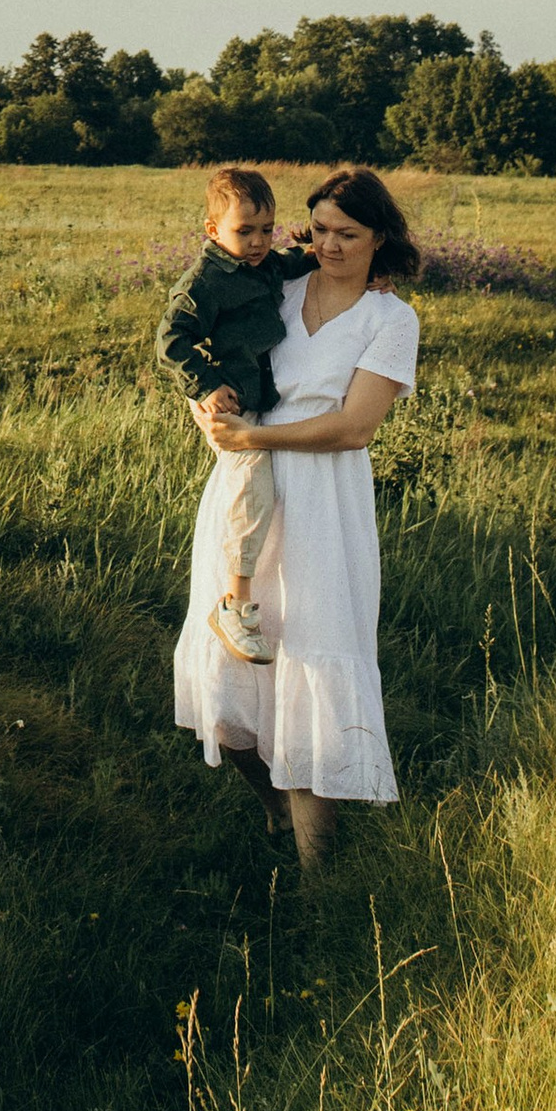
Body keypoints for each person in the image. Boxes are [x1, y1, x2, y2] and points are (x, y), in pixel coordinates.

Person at [170, 165, 422, 874]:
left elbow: (353, 428)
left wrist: (257, 439)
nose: (331, 246)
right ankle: (276, 808)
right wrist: (210, 412)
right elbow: (201, 346)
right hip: (247, 490)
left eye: (349, 234)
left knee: (311, 662)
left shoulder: (390, 318)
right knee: (228, 681)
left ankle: (319, 883)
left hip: (323, 503)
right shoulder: (273, 285)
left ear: (381, 239)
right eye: (320, 231)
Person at [152, 167, 312, 661]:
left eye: (267, 229)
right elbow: (170, 340)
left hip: (262, 398)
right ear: (213, 231)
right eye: (245, 231)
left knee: (269, 493)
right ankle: (234, 605)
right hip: (231, 404)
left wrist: (368, 270)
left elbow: (295, 263)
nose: (259, 241)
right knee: (253, 486)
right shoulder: (207, 280)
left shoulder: (263, 263)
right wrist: (205, 386)